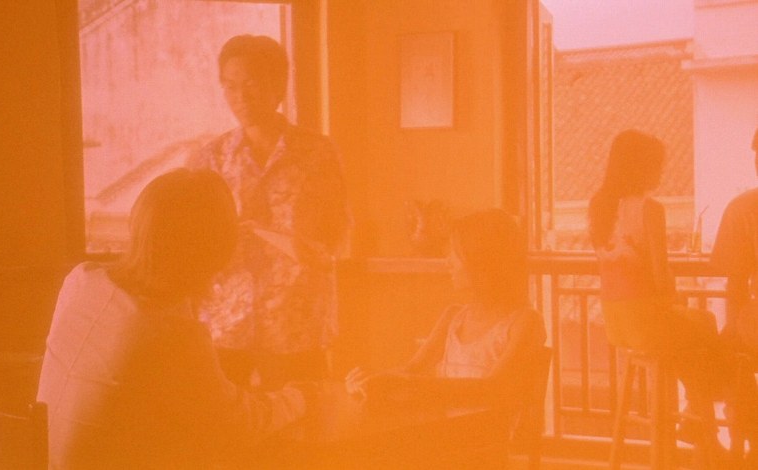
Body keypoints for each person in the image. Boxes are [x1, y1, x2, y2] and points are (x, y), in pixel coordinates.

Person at [36, 169, 308, 469]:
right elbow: (235, 427)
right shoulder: (170, 333)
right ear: (212, 252)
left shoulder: (80, 280)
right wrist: (301, 400)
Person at [185, 34, 349, 389]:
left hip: (295, 320)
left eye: (251, 84)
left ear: (278, 86)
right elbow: (191, 242)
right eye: (230, 86)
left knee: (304, 417)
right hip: (225, 322)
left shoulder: (317, 153)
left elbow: (337, 231)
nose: (241, 97)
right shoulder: (209, 159)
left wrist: (309, 249)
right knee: (221, 418)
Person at [588, 129, 734, 447]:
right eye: (657, 165)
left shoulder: (598, 206)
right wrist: (673, 298)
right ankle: (709, 409)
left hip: (616, 322)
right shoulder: (650, 209)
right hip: (647, 321)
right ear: (640, 167)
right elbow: (659, 271)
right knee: (705, 323)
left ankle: (699, 420)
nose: (661, 172)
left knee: (690, 351)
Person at [345, 209, 546, 409]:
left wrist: (412, 385)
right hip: (449, 424)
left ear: (481, 261)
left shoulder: (524, 322)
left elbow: (491, 389)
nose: (448, 262)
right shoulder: (453, 317)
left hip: (491, 428)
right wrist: (371, 381)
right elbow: (412, 370)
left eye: (455, 254)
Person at [712, 127, 758, 356]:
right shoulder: (744, 209)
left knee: (715, 352)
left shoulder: (743, 209)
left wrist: (732, 327)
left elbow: (736, 282)